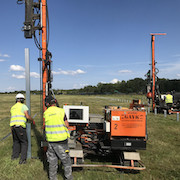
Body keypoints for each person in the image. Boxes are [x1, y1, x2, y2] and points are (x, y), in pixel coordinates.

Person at [44, 96, 72, 180]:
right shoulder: (61, 111)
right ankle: (69, 178)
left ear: (47, 104)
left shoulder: (46, 113)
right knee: (66, 162)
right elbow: (67, 124)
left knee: (52, 162)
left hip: (50, 141)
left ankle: (53, 178)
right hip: (61, 141)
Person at [10, 93, 35, 164]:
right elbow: (27, 116)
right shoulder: (23, 106)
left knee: (16, 142)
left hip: (13, 127)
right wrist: (32, 119)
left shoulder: (13, 107)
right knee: (24, 142)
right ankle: (23, 160)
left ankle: (14, 157)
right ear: (22, 100)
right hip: (20, 127)